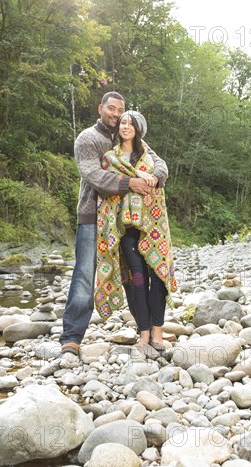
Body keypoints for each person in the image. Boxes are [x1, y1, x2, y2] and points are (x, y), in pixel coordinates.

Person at [59, 92, 168, 356]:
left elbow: (159, 163)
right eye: (111, 108)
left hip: (125, 221)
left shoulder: (126, 136)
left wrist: (155, 178)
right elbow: (93, 175)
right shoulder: (88, 138)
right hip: (92, 218)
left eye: (120, 110)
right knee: (85, 275)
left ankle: (146, 329)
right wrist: (130, 182)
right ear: (100, 109)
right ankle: (71, 338)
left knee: (133, 275)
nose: (116, 114)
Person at [94, 110, 177, 350]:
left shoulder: (150, 158)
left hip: (153, 226)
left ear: (139, 129)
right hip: (125, 227)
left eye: (131, 124)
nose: (126, 126)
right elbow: (105, 190)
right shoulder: (110, 158)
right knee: (136, 279)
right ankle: (143, 332)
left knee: (158, 277)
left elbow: (161, 174)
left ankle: (158, 331)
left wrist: (154, 178)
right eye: (123, 123)